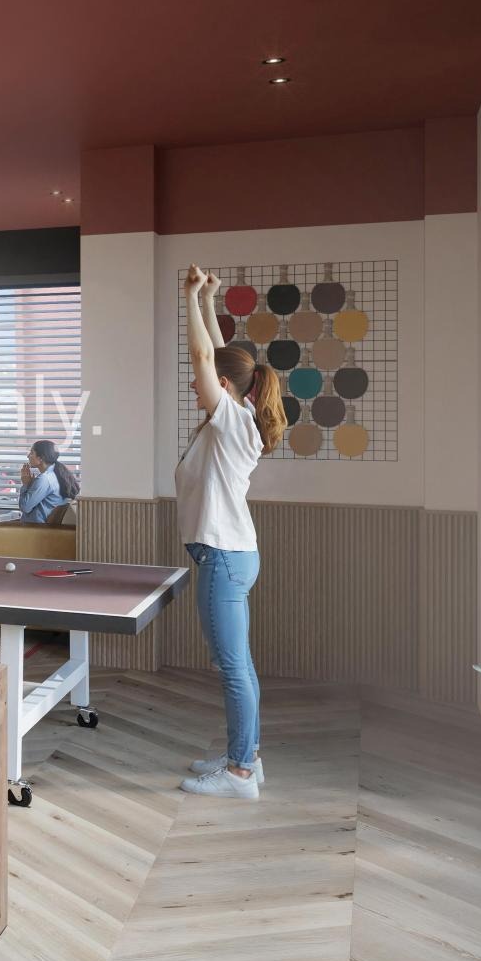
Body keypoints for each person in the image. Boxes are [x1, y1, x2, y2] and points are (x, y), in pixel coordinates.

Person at [177, 265, 285, 799]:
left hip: (223, 557)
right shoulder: (237, 414)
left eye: (201, 382)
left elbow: (205, 358)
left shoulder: (231, 421)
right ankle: (247, 757)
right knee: (237, 664)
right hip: (231, 555)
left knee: (233, 667)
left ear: (221, 387)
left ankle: (240, 773)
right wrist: (208, 300)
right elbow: (219, 358)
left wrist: (189, 296)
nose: (194, 387)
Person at [16, 439, 80, 523]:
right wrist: (31, 485)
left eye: (31, 453)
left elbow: (25, 507)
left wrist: (25, 485)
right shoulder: (54, 474)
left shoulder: (44, 479)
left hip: (35, 528)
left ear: (40, 458)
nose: (28, 456)